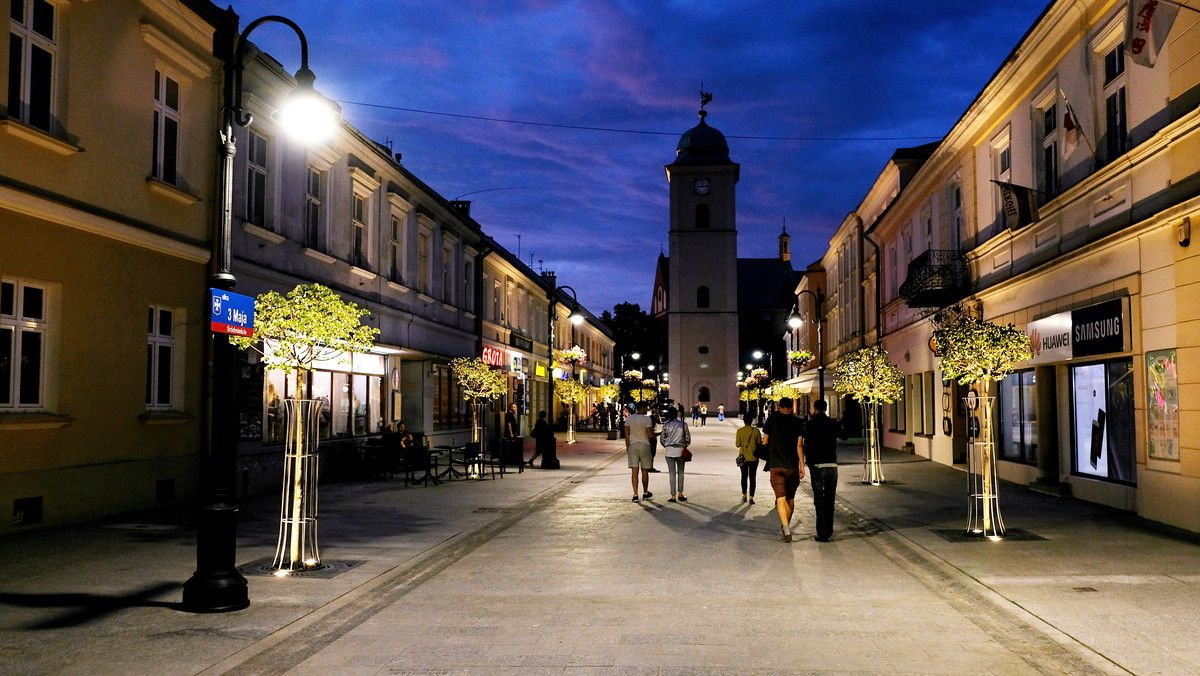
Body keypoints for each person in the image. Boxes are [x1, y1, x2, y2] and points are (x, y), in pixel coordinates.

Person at [761, 397, 805, 542]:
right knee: (790, 498)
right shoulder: (798, 422)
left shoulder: (772, 420)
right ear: (791, 407)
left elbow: (765, 441)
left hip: (776, 464)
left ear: (779, 406)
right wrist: (802, 466)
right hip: (792, 465)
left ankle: (786, 528)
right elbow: (800, 446)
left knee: (780, 497)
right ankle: (786, 525)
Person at [803, 400, 847, 542]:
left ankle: (823, 532)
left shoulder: (810, 424)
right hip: (832, 464)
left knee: (819, 499)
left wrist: (807, 461)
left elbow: (806, 444)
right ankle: (829, 528)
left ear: (815, 409)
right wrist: (841, 424)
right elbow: (845, 436)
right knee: (830, 498)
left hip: (817, 465)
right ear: (826, 409)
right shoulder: (833, 423)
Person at [624, 401, 656, 502]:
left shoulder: (629, 419)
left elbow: (626, 435)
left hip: (633, 446)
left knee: (634, 471)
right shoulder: (647, 419)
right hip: (644, 445)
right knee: (645, 470)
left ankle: (635, 494)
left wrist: (628, 447)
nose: (647, 410)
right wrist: (656, 434)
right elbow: (650, 435)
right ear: (641, 408)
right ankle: (645, 492)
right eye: (646, 408)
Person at [659, 408, 691, 502]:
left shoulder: (666, 425)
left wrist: (666, 445)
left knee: (671, 473)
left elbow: (662, 438)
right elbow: (688, 438)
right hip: (680, 450)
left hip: (669, 451)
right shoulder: (683, 424)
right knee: (681, 472)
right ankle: (680, 493)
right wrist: (685, 445)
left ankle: (673, 495)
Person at [735, 412, 761, 504]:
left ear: (744, 420)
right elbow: (759, 444)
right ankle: (751, 497)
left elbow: (738, 444)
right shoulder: (756, 431)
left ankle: (744, 495)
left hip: (743, 457)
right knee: (752, 477)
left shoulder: (740, 431)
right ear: (751, 420)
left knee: (744, 476)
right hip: (754, 458)